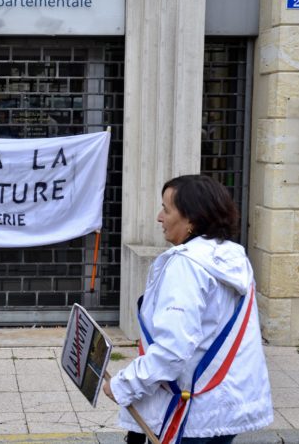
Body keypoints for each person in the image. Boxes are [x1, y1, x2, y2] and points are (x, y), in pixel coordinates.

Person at [103, 174, 273, 444]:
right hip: (224, 408)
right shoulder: (232, 256)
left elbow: (173, 349)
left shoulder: (186, 266)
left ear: (192, 219)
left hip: (192, 413)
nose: (159, 217)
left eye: (166, 209)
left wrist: (125, 384)